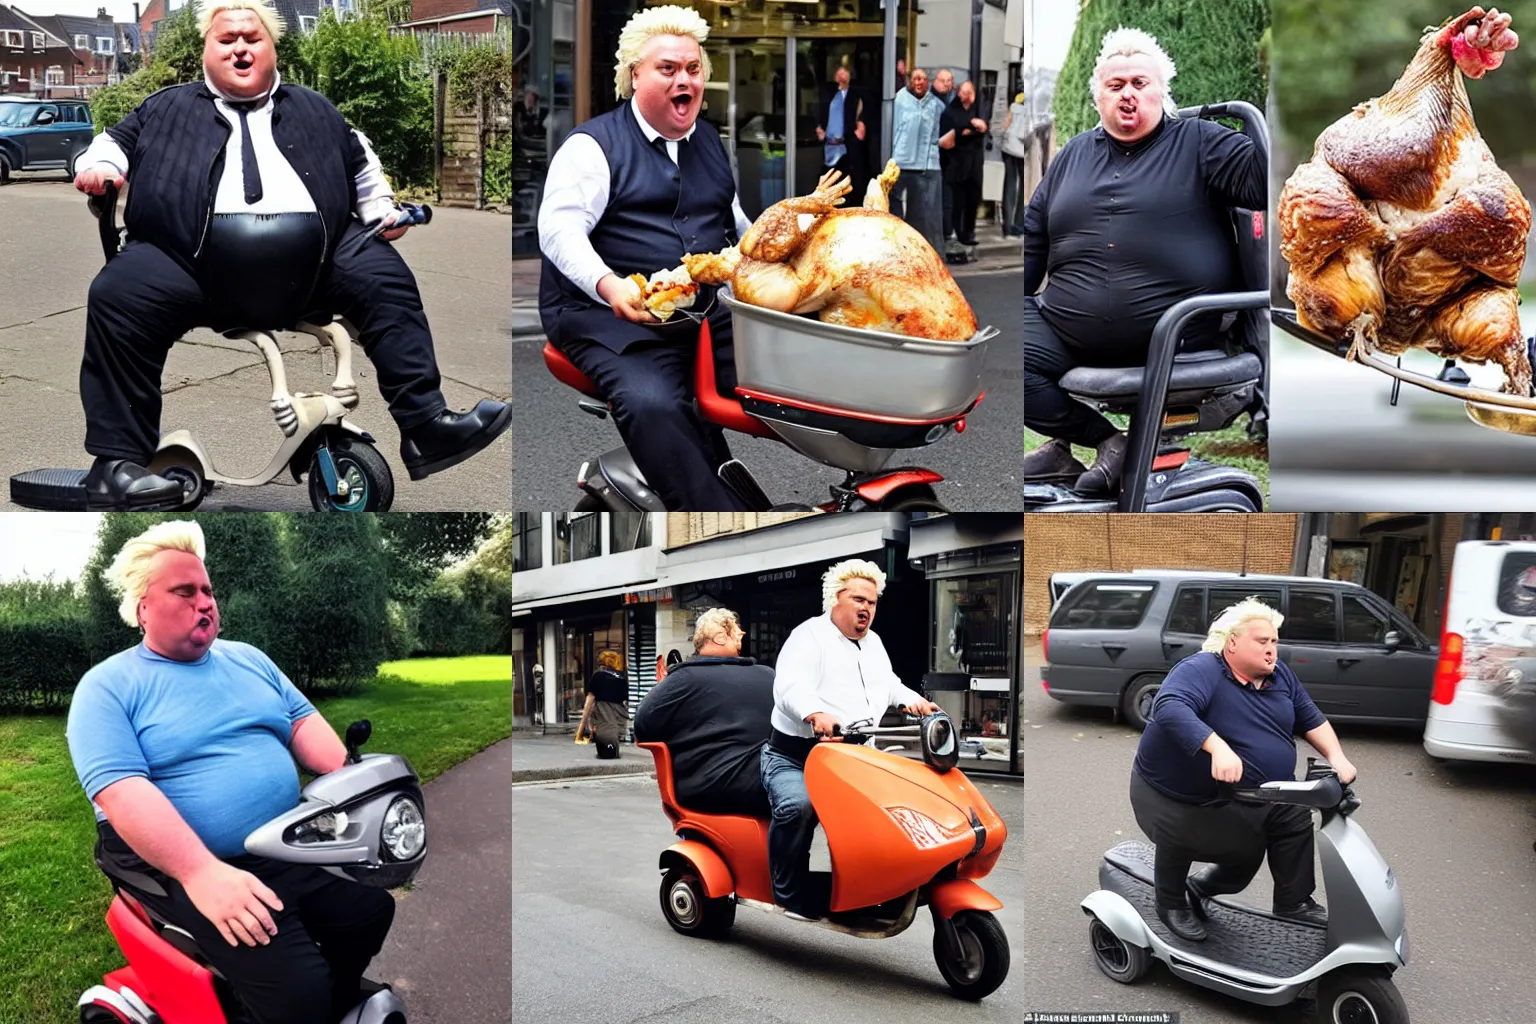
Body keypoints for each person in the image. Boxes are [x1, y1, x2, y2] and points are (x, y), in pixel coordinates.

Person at [70, 0, 509, 510]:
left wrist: (382, 211)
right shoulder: (163, 107)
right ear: (205, 50)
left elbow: (363, 167)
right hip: (188, 262)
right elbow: (108, 145)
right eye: (226, 39)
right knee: (117, 297)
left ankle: (427, 425)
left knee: (383, 276)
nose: (240, 48)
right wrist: (97, 167)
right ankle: (118, 465)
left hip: (315, 266)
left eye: (252, 39)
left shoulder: (316, 108)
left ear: (273, 47)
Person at [65, 521, 394, 1024]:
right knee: (297, 988)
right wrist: (201, 873)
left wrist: (364, 786)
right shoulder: (107, 686)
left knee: (370, 911)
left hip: (280, 842)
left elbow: (305, 726)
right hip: (179, 860)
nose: (206, 602)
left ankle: (300, 1007)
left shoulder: (249, 660)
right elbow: (121, 791)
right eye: (185, 591)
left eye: (208, 590)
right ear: (142, 607)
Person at [1022, 27, 1264, 494]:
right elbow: (1035, 233)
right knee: (1003, 351)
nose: (1128, 95)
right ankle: (1103, 442)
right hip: (1068, 328)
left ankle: (1108, 450)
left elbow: (1264, 181)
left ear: (1161, 91)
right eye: (1116, 86)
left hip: (1172, 332)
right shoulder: (1073, 154)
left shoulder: (1200, 142)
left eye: (1140, 83)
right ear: (1099, 99)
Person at [538, 4, 754, 511]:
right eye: (669, 69)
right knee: (653, 403)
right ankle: (711, 521)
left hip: (700, 309)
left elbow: (736, 225)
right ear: (635, 75)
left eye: (693, 69)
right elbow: (557, 229)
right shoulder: (593, 146)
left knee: (792, 369)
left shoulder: (709, 141)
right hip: (604, 318)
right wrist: (610, 285)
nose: (686, 80)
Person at [1129, 598, 1359, 943]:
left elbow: (1311, 718)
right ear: (1232, 642)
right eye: (1262, 641)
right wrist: (1217, 747)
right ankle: (1171, 902)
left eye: (1275, 642)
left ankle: (1293, 901)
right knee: (1185, 831)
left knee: (1289, 822)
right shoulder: (1202, 669)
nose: (1272, 651)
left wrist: (1338, 757)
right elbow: (1169, 706)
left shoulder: (1280, 676)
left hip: (1250, 791)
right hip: (1175, 793)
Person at [762, 559, 942, 920]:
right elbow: (789, 686)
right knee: (798, 808)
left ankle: (872, 891)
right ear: (835, 600)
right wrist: (815, 713)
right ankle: (788, 892)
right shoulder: (808, 637)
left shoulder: (873, 643)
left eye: (872, 602)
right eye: (859, 599)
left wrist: (915, 701)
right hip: (796, 757)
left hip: (855, 759)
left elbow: (888, 683)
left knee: (892, 812)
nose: (867, 608)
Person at [633, 608, 774, 816]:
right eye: (737, 630)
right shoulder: (768, 676)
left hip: (703, 788)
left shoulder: (682, 679)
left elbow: (643, 726)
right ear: (719, 637)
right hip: (766, 787)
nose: (742, 635)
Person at [889, 67, 945, 254]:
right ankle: (898, 247)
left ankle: (921, 251)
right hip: (901, 160)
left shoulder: (936, 104)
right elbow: (892, 128)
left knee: (921, 213)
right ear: (910, 81)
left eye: (922, 78)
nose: (919, 82)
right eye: (916, 78)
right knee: (895, 205)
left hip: (926, 164)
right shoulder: (899, 100)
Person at [939, 79, 989, 249]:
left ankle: (969, 232)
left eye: (970, 92)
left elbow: (983, 127)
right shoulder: (951, 110)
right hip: (957, 163)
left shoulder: (977, 109)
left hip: (974, 163)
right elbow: (954, 131)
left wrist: (974, 129)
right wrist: (970, 128)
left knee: (973, 200)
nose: (967, 95)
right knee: (958, 201)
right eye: (964, 91)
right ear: (959, 93)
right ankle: (959, 233)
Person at [815, 64, 869, 206]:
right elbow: (821, 113)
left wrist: (860, 125)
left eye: (845, 74)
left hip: (847, 146)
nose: (841, 77)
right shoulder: (828, 95)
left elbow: (865, 112)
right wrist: (820, 128)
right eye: (839, 74)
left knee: (851, 183)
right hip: (830, 146)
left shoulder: (856, 95)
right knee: (829, 184)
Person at [575, 650, 629, 759]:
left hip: (604, 713)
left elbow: (590, 700)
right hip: (618, 715)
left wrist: (581, 728)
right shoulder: (621, 677)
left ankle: (608, 751)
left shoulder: (598, 675)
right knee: (611, 742)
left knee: (605, 747)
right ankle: (612, 750)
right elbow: (624, 699)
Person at [931, 68, 958, 253]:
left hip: (951, 158)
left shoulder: (952, 100)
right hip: (936, 155)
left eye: (949, 80)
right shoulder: (932, 101)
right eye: (943, 80)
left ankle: (946, 232)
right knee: (936, 198)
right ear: (935, 81)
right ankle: (941, 234)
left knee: (948, 198)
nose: (946, 84)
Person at [999, 91, 1029, 237]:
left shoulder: (1015, 105)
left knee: (1009, 186)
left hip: (1009, 149)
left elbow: (1004, 126)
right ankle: (1019, 224)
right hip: (1024, 152)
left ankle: (1008, 225)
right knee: (1024, 188)